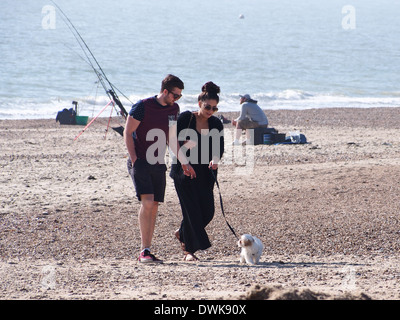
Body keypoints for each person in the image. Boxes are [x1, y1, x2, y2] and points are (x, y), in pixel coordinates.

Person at [124, 74, 184, 263]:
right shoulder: (142, 106)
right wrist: (134, 159)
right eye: (175, 95)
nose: (177, 99)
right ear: (165, 91)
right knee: (148, 202)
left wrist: (184, 162)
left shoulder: (174, 109)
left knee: (155, 205)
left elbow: (172, 139)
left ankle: (147, 249)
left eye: (180, 96)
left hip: (158, 162)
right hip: (140, 160)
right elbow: (128, 132)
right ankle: (143, 251)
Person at [170, 81, 224, 261]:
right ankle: (188, 251)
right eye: (208, 106)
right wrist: (185, 160)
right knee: (191, 210)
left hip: (206, 173)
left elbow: (219, 148)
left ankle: (182, 232)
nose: (210, 111)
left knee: (208, 211)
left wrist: (215, 160)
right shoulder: (186, 118)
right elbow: (174, 143)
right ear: (199, 103)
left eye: (214, 108)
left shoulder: (216, 123)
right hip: (184, 170)